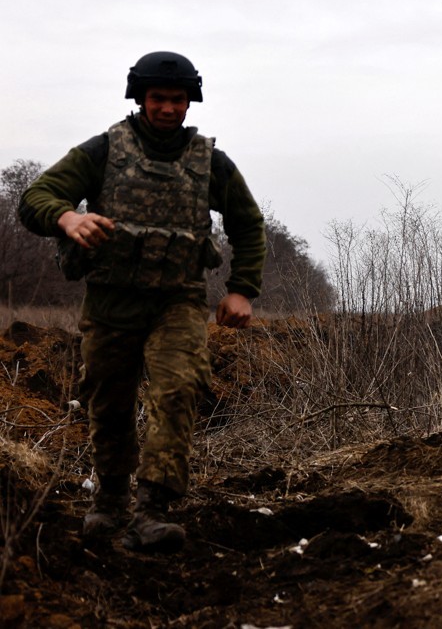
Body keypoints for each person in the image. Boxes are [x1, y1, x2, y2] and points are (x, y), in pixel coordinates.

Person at [19, 51, 266, 553]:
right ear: (140, 98)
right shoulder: (103, 152)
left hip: (177, 302)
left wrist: (242, 288)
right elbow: (36, 197)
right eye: (159, 98)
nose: (169, 109)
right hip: (111, 304)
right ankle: (111, 500)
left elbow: (248, 224)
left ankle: (154, 509)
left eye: (178, 100)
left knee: (177, 391)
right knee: (108, 404)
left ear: (190, 101)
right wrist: (67, 218)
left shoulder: (210, 162)